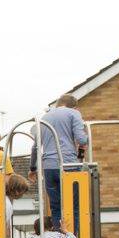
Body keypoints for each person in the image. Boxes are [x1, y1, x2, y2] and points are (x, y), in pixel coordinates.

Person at [29, 94, 89, 225]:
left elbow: (35, 147)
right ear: (74, 106)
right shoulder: (73, 113)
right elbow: (81, 139)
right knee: (74, 206)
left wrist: (32, 168)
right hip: (68, 165)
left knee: (55, 207)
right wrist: (87, 136)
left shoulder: (44, 118)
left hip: (49, 167)